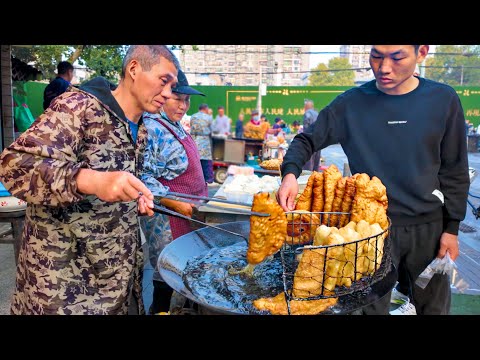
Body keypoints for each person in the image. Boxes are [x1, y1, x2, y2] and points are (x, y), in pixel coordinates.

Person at [277, 45, 469, 315]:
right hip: (368, 233)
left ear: (422, 52)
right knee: (367, 308)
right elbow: (306, 139)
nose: (384, 67)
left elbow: (454, 168)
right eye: (376, 56)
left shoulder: (442, 100)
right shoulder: (351, 104)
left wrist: (452, 229)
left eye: (397, 56)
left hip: (428, 230)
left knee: (433, 307)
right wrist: (290, 174)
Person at [0, 45, 180, 315]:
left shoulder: (140, 128)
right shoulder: (77, 107)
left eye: (172, 85)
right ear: (133, 69)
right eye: (164, 81)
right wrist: (91, 181)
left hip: (117, 283)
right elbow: (14, 165)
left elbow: (117, 188)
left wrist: (136, 198)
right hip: (62, 291)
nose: (168, 93)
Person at [140, 69, 207, 314]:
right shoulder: (152, 128)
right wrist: (175, 204)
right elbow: (143, 178)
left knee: (187, 268)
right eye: (177, 99)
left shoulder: (176, 125)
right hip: (167, 218)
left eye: (187, 100)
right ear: (163, 96)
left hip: (187, 212)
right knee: (167, 271)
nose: (183, 105)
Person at [190, 103, 214, 183]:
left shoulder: (193, 116)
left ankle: (197, 179)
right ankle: (208, 179)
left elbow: (191, 128)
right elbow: (212, 129)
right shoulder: (208, 117)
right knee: (206, 161)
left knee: (196, 160)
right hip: (205, 140)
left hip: (195, 140)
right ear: (206, 109)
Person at [302, 99, 321, 171]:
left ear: (306, 107)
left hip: (310, 141)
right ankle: (315, 178)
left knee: (308, 162)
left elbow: (306, 128)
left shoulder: (307, 114)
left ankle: (308, 178)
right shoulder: (317, 114)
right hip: (319, 141)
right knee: (316, 162)